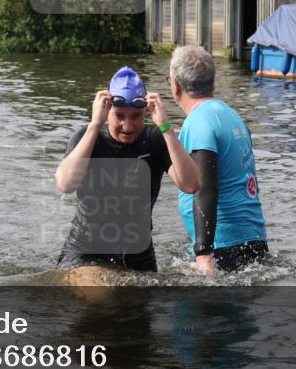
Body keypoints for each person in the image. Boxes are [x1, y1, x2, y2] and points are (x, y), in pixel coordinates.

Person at [54, 66, 200, 275]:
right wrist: (95, 125)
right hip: (86, 252)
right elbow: (65, 184)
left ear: (146, 113)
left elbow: (191, 184)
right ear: (106, 110)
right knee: (100, 294)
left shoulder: (155, 141)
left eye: (136, 116)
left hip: (138, 254)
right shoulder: (87, 138)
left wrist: (166, 127)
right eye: (119, 115)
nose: (128, 125)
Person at [167, 46, 268, 274]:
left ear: (175, 85)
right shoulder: (233, 116)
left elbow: (204, 188)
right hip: (254, 239)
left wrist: (203, 252)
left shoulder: (198, 122)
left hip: (223, 246)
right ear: (212, 82)